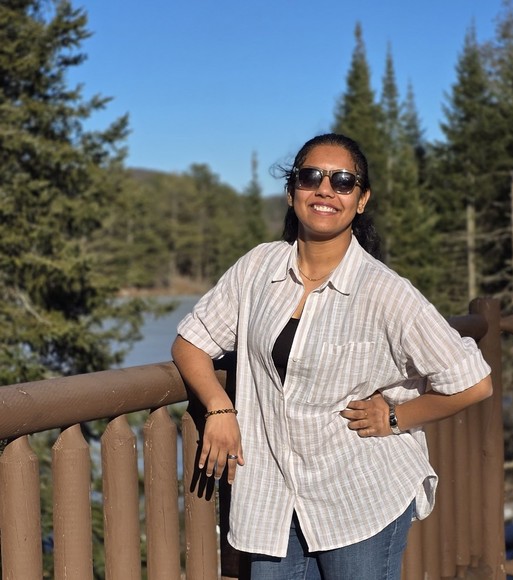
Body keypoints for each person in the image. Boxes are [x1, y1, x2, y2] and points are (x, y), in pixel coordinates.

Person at [171, 133, 493, 580]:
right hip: (272, 498)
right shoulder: (258, 268)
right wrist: (219, 407)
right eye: (310, 177)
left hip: (358, 498)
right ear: (292, 192)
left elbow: (473, 382)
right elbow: (191, 342)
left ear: (361, 200)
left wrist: (396, 416)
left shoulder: (385, 291)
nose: (325, 190)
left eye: (342, 181)